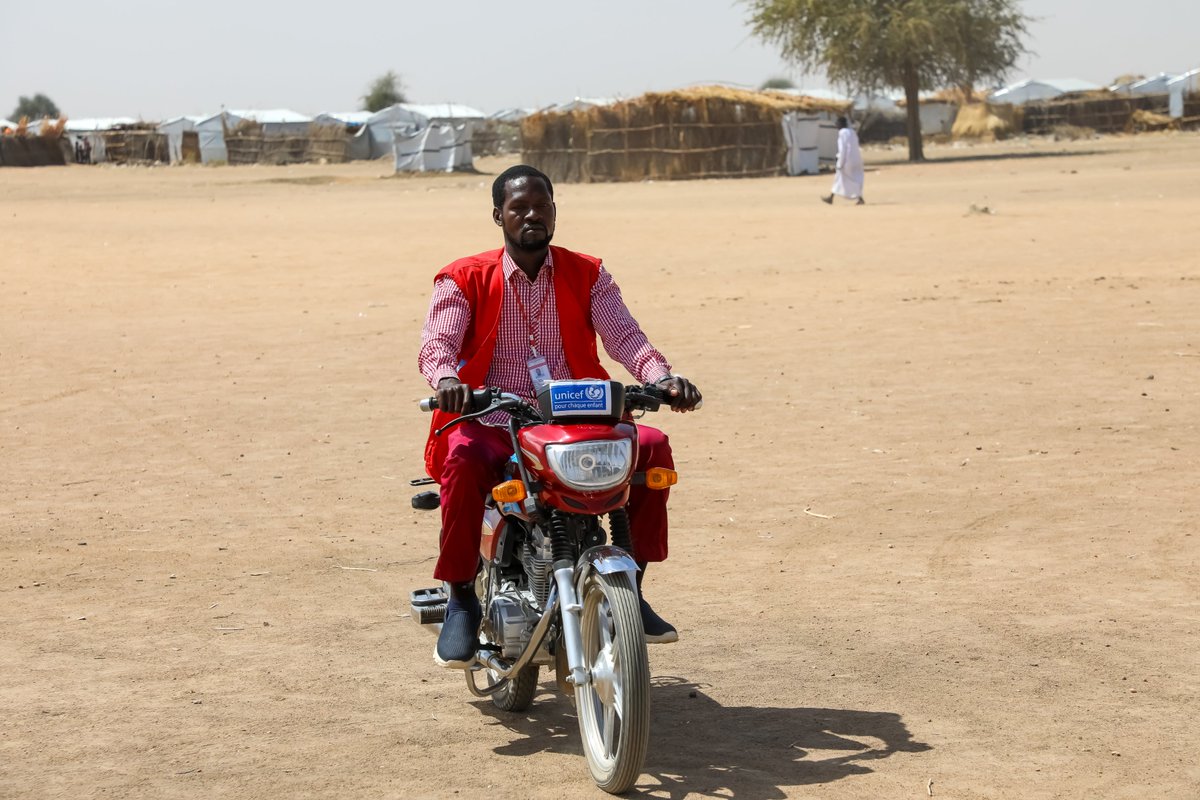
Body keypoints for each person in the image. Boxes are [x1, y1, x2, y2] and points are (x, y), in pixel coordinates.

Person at [418, 164, 702, 667]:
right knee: (462, 459)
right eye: (518, 208)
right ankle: (461, 598)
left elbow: (625, 337)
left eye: (541, 206)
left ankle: (631, 588)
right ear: (497, 216)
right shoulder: (462, 277)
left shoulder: (587, 272)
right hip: (495, 420)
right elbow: (437, 344)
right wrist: (448, 382)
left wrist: (661, 378)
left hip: (576, 420)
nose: (531, 215)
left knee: (651, 446)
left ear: (554, 210)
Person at [822, 116, 865, 205]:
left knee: (839, 177)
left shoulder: (842, 133)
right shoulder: (852, 132)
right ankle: (859, 198)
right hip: (856, 159)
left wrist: (840, 163)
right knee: (854, 179)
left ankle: (831, 198)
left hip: (847, 160)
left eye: (837, 123)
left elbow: (843, 149)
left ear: (841, 124)